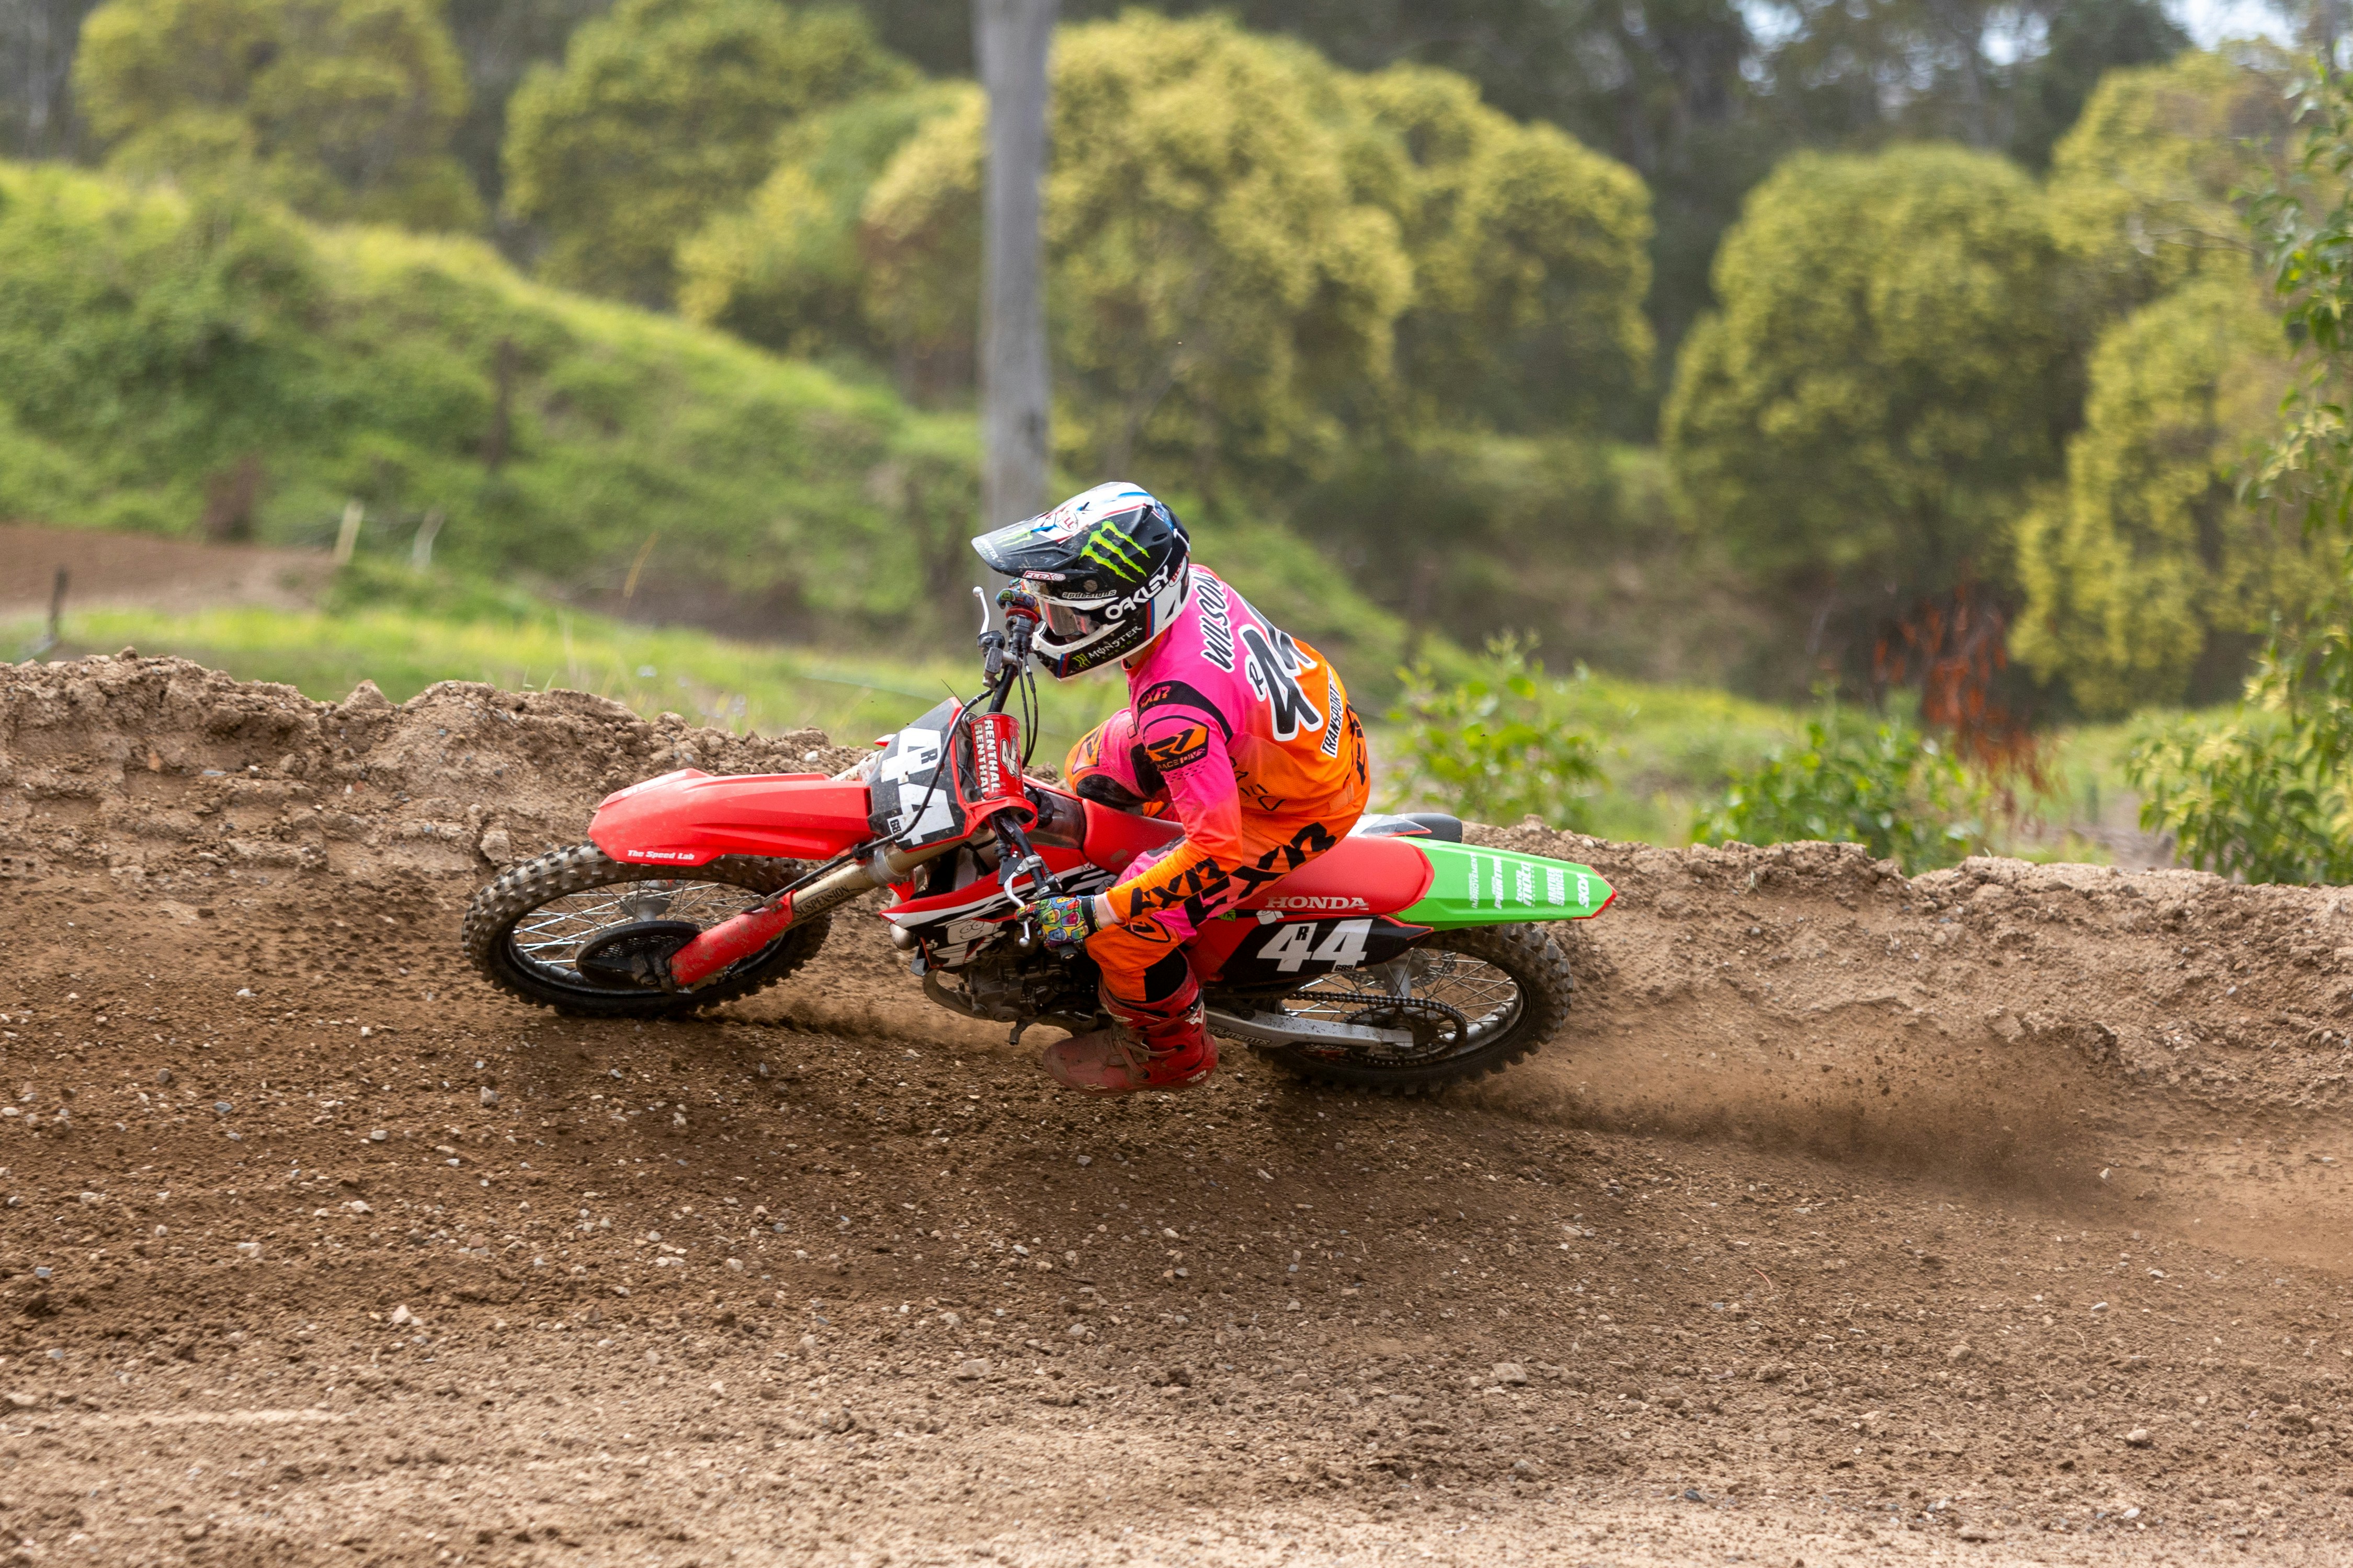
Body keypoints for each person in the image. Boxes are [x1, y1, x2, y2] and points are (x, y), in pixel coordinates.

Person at [972, 482, 1369, 1095]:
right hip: (1285, 735)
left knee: (1123, 938)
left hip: (1297, 805)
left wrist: (1094, 911)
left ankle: (1167, 1051)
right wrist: (1033, 592)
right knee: (1088, 771)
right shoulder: (1184, 580)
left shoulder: (1173, 714)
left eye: (1067, 612)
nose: (1058, 625)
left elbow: (1215, 852)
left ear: (1126, 612)